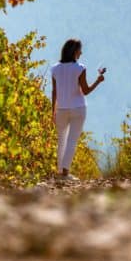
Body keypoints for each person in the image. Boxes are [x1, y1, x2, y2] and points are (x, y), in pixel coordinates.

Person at [51, 39, 105, 180]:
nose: (81, 52)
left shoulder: (55, 69)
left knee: (61, 140)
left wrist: (53, 111)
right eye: (80, 50)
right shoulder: (80, 68)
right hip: (78, 108)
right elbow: (85, 91)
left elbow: (54, 92)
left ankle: (59, 172)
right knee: (72, 141)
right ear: (75, 52)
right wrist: (98, 81)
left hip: (61, 109)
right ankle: (65, 173)